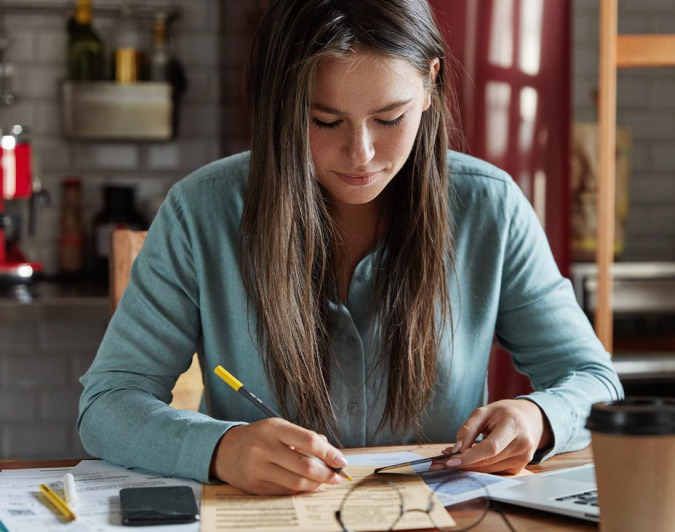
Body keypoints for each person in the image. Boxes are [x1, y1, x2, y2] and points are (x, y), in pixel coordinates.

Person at [78, 0, 623, 496]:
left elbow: (597, 383)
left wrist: (538, 417)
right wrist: (221, 449)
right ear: (282, 104)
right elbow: (106, 406)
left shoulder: (490, 208)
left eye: (390, 119)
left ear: (430, 85)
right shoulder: (201, 211)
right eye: (324, 121)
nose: (360, 153)